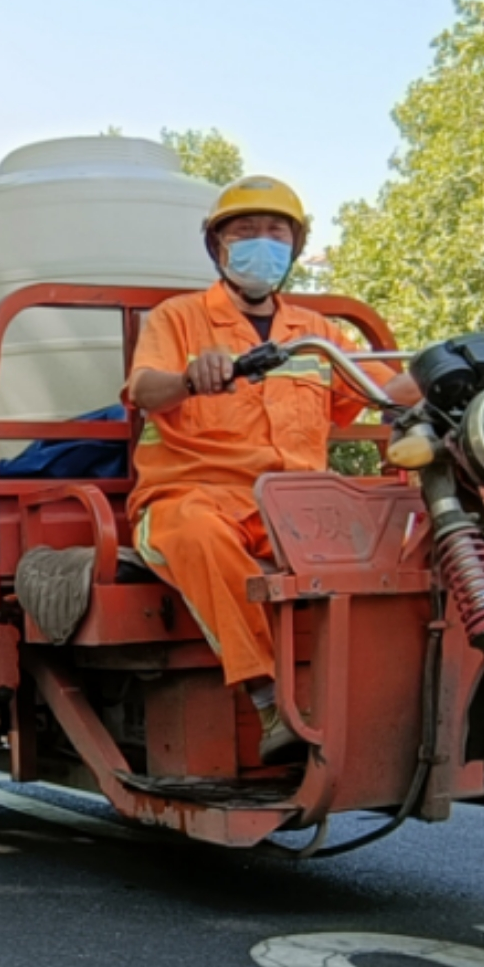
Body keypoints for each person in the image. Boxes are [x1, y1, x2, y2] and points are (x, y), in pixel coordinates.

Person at [124, 175, 408, 760]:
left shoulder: (318, 333)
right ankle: (269, 699)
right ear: (219, 247)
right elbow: (145, 389)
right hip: (191, 497)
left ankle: (394, 699)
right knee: (200, 535)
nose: (261, 243)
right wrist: (189, 377)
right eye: (244, 231)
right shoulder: (177, 319)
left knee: (402, 536)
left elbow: (385, 392)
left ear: (295, 248)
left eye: (275, 232)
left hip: (298, 505)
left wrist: (445, 373)